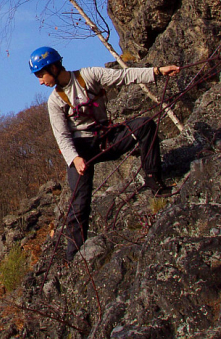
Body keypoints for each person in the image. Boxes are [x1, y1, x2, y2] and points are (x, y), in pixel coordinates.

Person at [29, 46, 180, 262]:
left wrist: (156, 72)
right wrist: (75, 159)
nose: (40, 81)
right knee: (79, 202)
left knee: (145, 126)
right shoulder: (54, 101)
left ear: (53, 68)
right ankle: (74, 256)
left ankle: (154, 182)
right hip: (81, 149)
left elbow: (124, 76)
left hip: (106, 137)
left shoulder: (89, 75)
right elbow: (62, 136)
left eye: (40, 75)